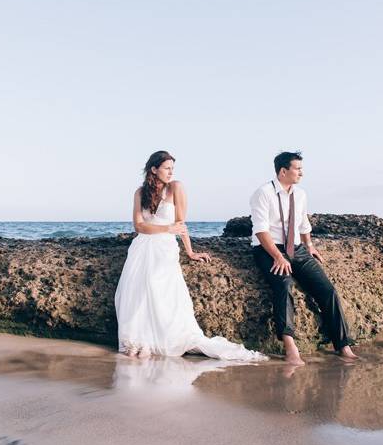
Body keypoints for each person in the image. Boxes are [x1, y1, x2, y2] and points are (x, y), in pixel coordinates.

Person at [114, 150, 267, 361]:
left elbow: (181, 225)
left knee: (156, 284)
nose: (170, 172)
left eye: (172, 169)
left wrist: (190, 252)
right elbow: (139, 226)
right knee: (136, 290)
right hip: (142, 247)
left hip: (165, 248)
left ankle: (160, 338)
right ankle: (140, 339)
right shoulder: (140, 193)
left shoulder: (176, 187)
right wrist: (167, 228)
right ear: (154, 169)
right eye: (166, 168)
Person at [250, 151, 358, 365]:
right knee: (284, 284)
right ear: (283, 171)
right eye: (297, 169)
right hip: (267, 248)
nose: (302, 173)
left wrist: (309, 246)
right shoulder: (263, 193)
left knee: (327, 290)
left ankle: (343, 345)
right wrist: (278, 256)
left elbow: (302, 223)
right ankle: (290, 347)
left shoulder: (300, 195)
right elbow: (261, 231)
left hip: (296, 247)